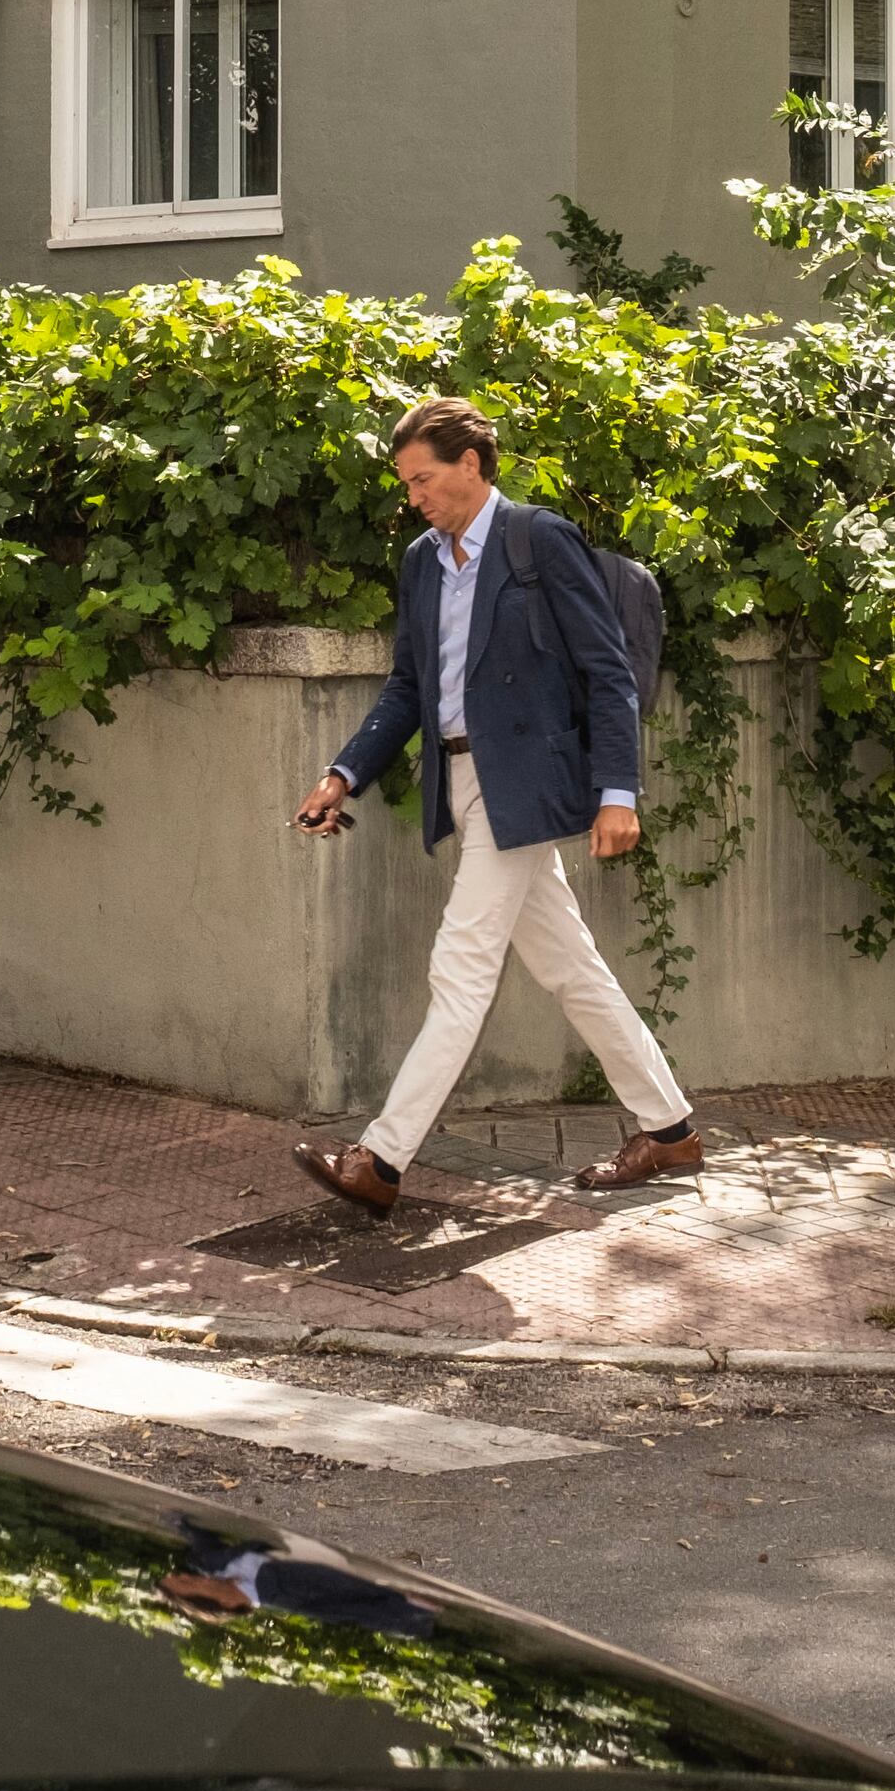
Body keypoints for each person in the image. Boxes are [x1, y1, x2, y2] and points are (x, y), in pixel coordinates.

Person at [289, 397, 705, 1215]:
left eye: (425, 478)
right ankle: (669, 1131)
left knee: (462, 966)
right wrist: (344, 773)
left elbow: (608, 669)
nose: (414, 495)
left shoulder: (536, 539)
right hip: (460, 776)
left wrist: (617, 791)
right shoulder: (420, 560)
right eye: (407, 483)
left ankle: (381, 1157)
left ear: (471, 464)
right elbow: (409, 685)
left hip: (524, 781)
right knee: (569, 966)